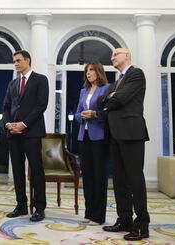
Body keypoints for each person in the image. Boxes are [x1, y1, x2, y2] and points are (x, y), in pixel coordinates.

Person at [100, 48, 150, 241]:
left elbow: (120, 98)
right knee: (119, 180)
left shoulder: (136, 74)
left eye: (116, 54)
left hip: (132, 133)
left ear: (127, 56)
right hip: (115, 134)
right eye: (111, 54)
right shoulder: (118, 80)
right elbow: (103, 100)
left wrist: (111, 97)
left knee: (135, 180)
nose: (112, 57)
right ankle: (124, 219)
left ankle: (142, 225)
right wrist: (109, 97)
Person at [3, 50, 49, 222]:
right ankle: (21, 205)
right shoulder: (13, 83)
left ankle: (39, 208)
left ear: (28, 61)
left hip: (32, 132)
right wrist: (8, 124)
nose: (15, 64)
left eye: (18, 60)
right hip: (13, 134)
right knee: (17, 170)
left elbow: (41, 105)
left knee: (36, 171)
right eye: (14, 61)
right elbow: (6, 106)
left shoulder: (41, 79)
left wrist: (24, 124)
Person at [74, 61, 110, 225]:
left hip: (99, 137)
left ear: (98, 72)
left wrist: (94, 114)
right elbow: (76, 113)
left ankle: (99, 216)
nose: (88, 73)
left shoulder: (106, 89)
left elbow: (108, 113)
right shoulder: (83, 91)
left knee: (99, 176)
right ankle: (89, 214)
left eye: (91, 70)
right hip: (84, 136)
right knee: (87, 176)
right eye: (86, 71)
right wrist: (81, 115)